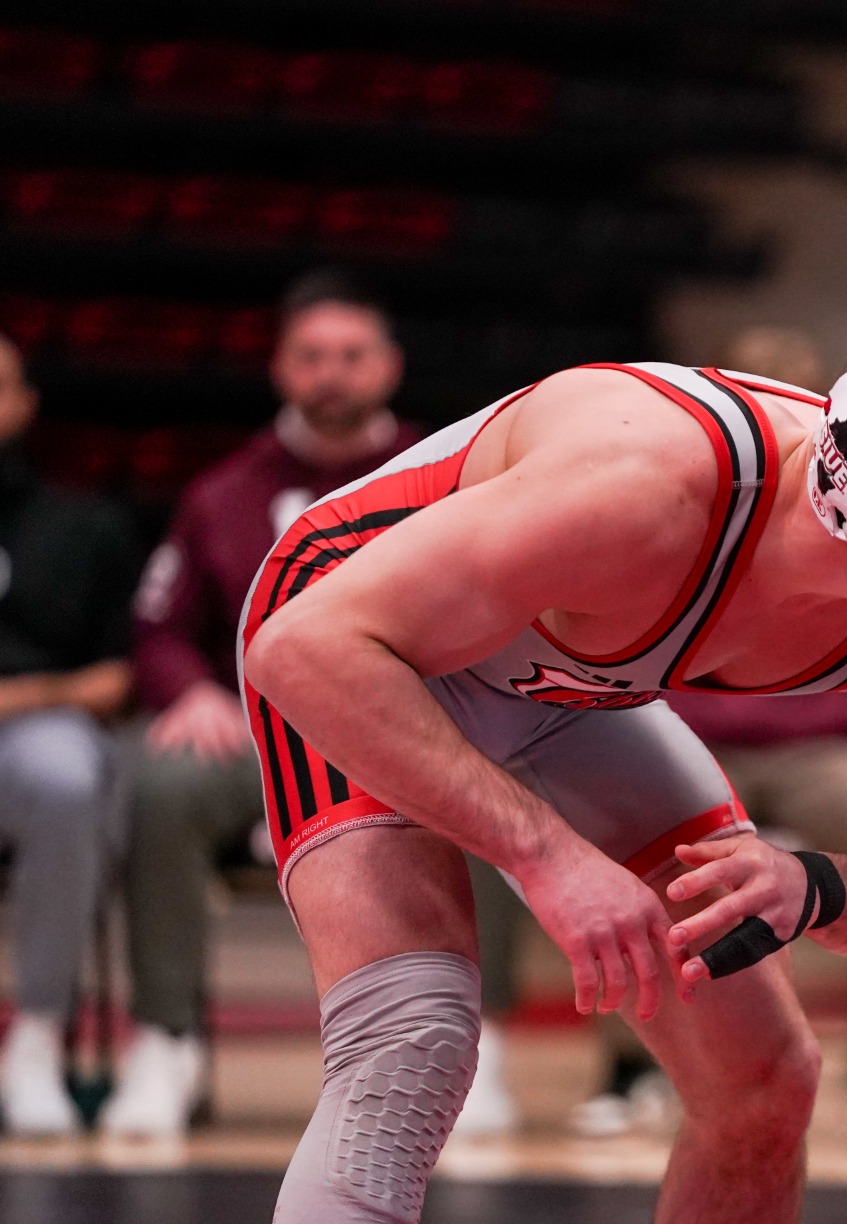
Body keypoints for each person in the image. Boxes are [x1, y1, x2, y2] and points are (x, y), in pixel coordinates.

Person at [238, 294, 847, 1224]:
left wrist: (816, 885)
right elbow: (301, 650)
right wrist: (546, 856)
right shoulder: (645, 485)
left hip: (568, 687)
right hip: (359, 643)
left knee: (765, 1078)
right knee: (413, 1035)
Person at [105, 272, 523, 1138]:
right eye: (311, 357)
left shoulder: (453, 474)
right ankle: (164, 1042)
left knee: (496, 778)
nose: (331, 373)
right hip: (263, 740)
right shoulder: (221, 493)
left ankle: (479, 1045)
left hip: (403, 731)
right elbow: (160, 628)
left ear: (389, 365)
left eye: (351, 355)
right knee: (162, 782)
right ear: (280, 369)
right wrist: (188, 693)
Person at [570, 326, 847, 1151]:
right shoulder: (673, 502)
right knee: (633, 842)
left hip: (820, 752)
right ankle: (633, 1068)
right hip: (698, 746)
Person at [0, 333, 143, 1137]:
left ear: (23, 405)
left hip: (32, 734)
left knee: (67, 776)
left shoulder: (83, 525)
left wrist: (21, 695)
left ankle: (37, 1035)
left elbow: (117, 678)